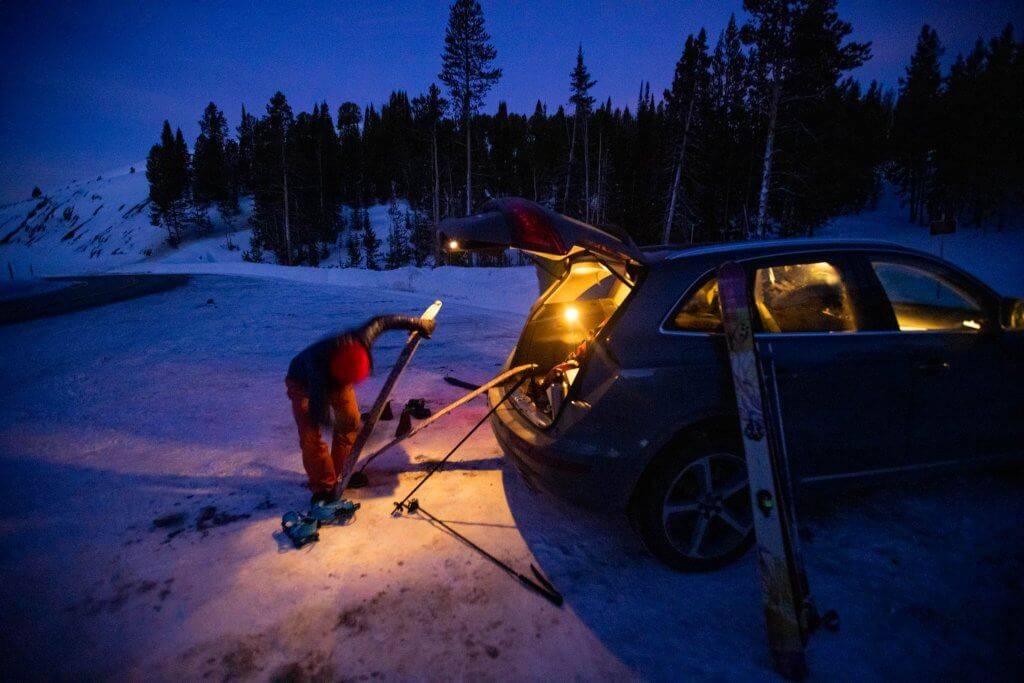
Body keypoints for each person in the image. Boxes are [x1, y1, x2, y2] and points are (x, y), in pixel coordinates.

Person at [286, 314, 436, 505]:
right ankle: (323, 486)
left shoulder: (360, 338)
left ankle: (343, 473)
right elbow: (319, 414)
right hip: (303, 384)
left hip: (336, 373)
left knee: (351, 420)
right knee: (311, 438)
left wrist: (417, 323)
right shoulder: (318, 374)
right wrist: (336, 424)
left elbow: (383, 321)